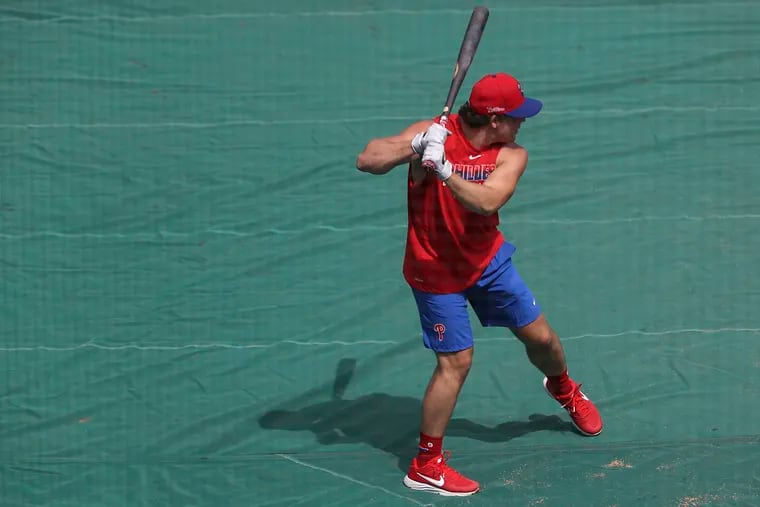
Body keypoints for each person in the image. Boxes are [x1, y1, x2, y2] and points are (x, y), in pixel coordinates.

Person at [355, 72, 603, 497]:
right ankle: (425, 465)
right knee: (456, 362)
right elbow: (368, 159)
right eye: (516, 117)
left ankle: (563, 388)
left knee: (541, 338)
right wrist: (413, 148)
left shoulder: (512, 154)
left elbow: (487, 200)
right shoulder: (433, 132)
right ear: (493, 119)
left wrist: (446, 170)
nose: (522, 124)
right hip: (435, 273)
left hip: (488, 265)